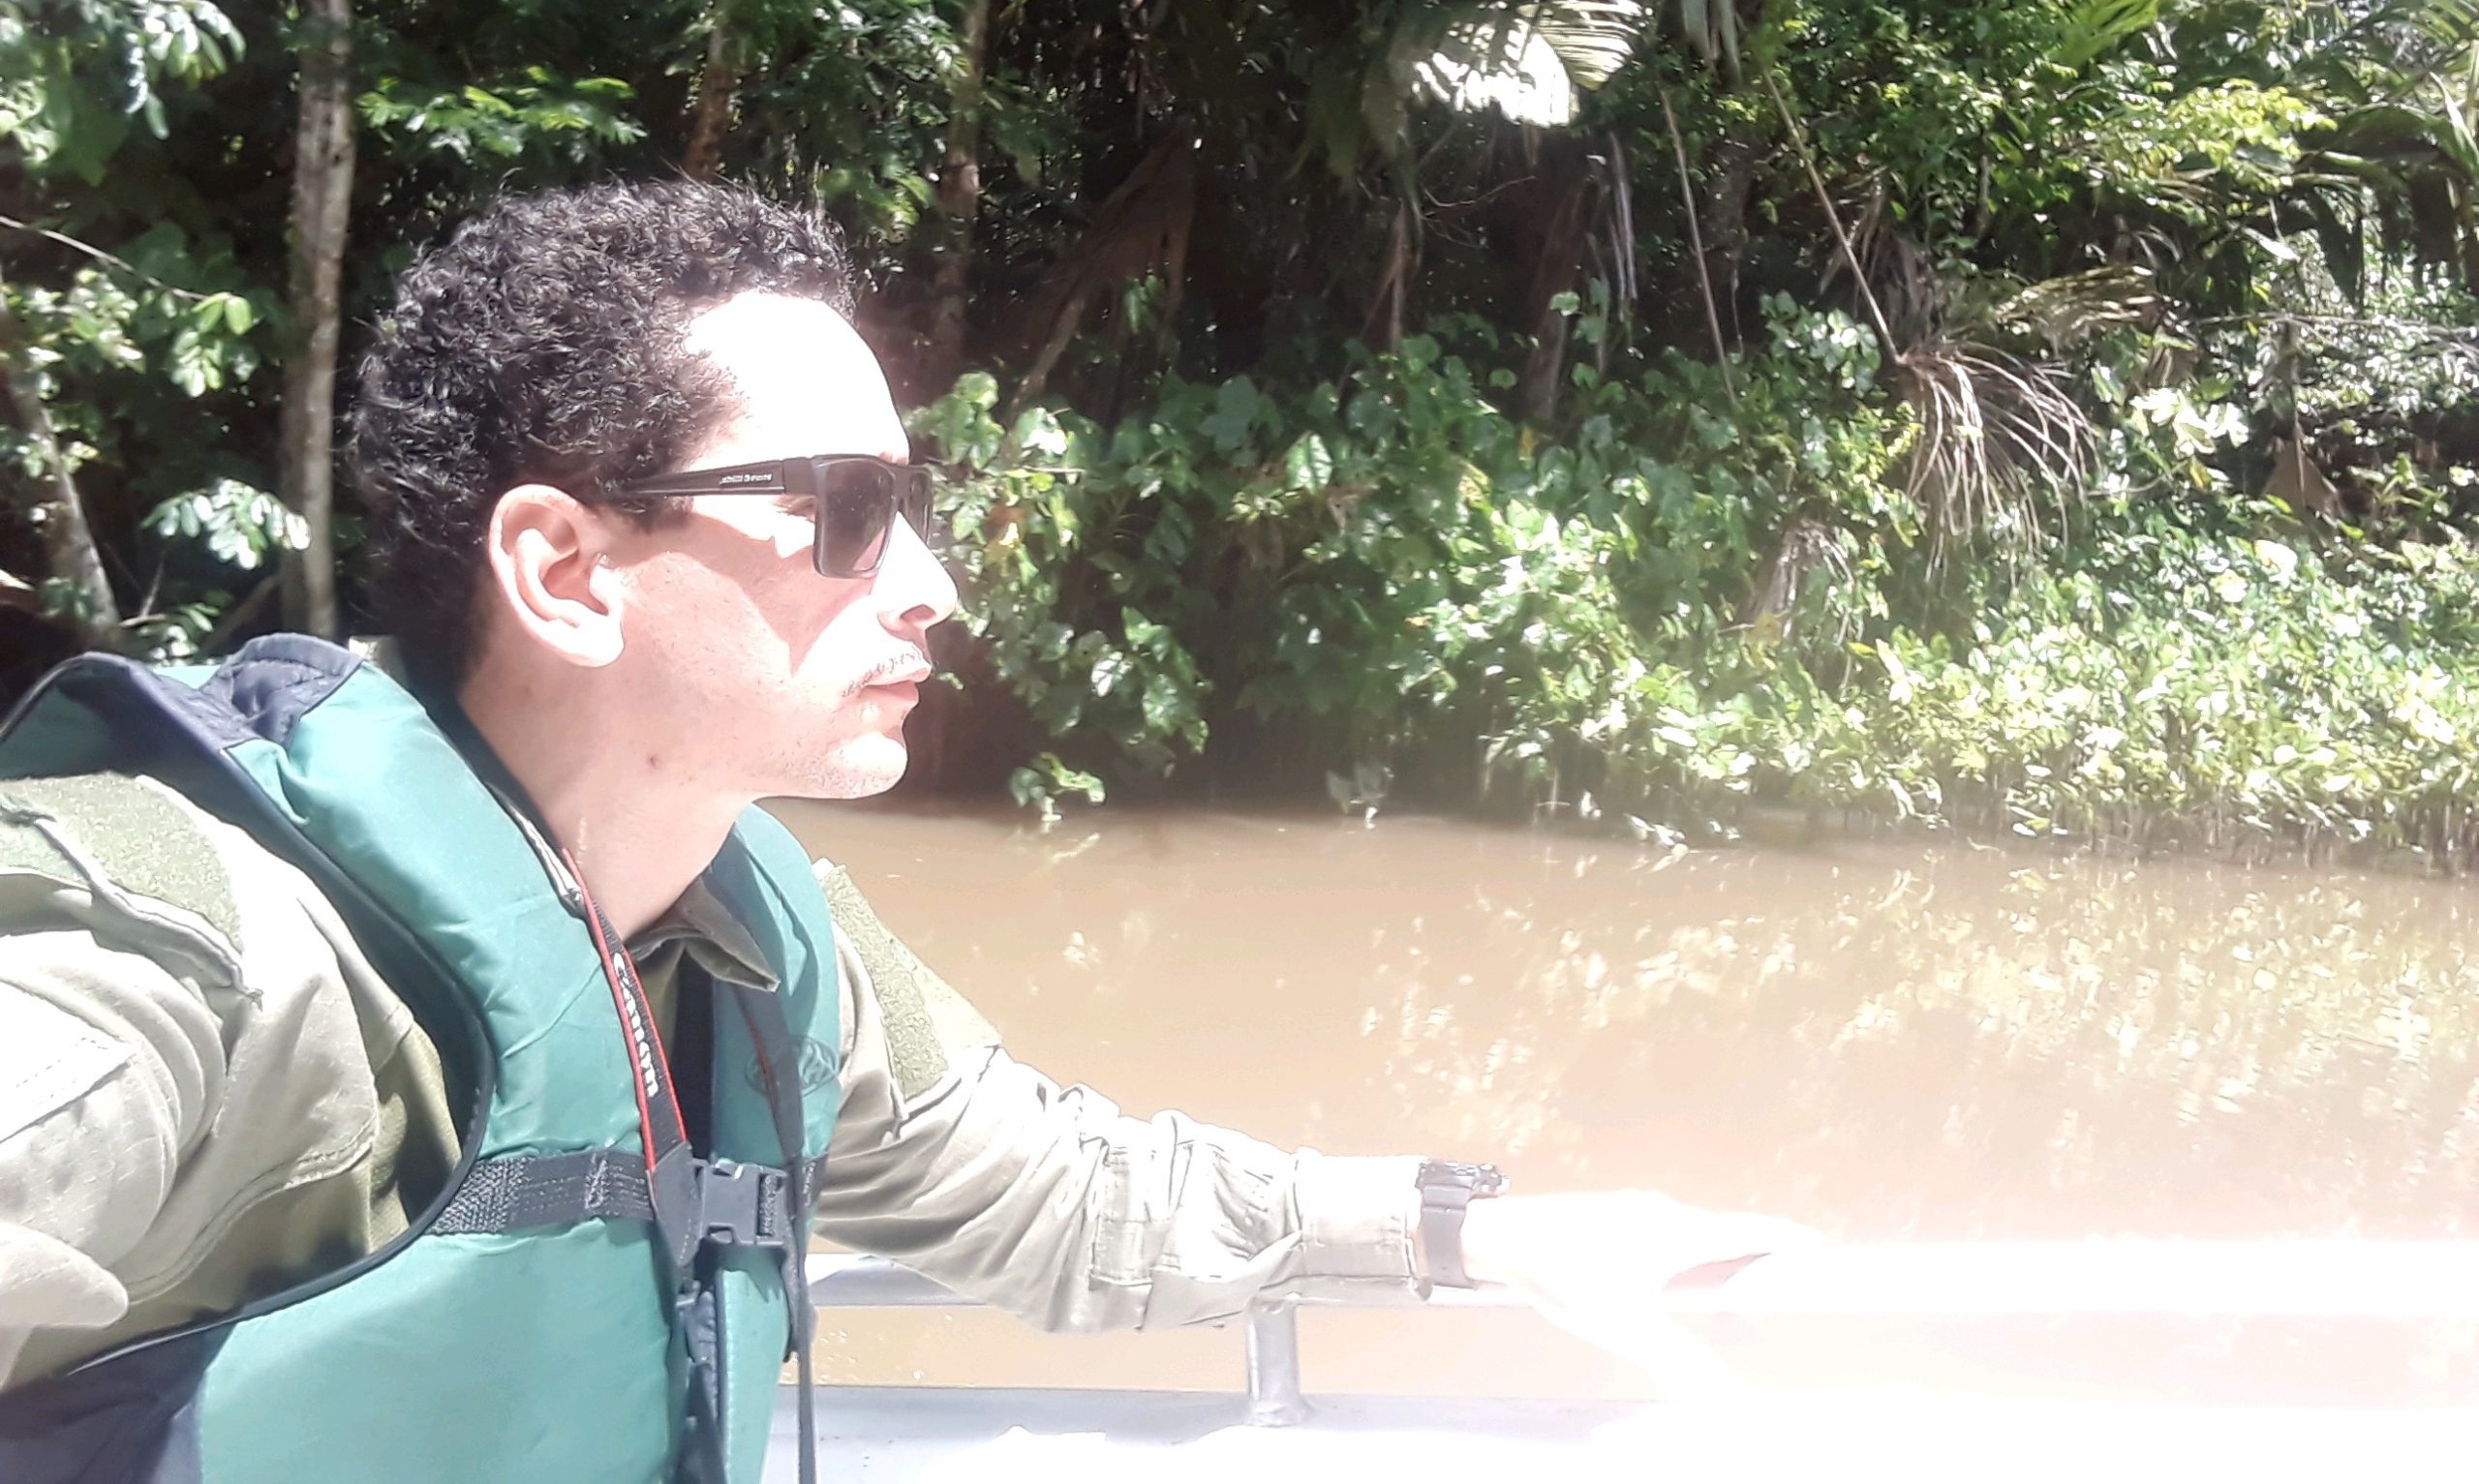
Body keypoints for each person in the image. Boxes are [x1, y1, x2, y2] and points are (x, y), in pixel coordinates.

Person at [0, 181, 1790, 1482]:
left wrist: (1482, 1231)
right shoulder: (179, 948)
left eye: (909, 508)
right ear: (565, 571)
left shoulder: (754, 940)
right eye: (845, 513)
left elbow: (1071, 1200)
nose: (931, 586)